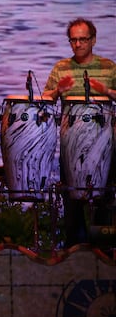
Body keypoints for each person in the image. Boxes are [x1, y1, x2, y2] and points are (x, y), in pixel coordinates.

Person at [42, 18, 116, 246]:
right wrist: (56, 91)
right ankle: (75, 250)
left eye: (82, 39)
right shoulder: (61, 68)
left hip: (103, 139)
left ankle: (103, 250)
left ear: (93, 40)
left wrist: (106, 91)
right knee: (72, 195)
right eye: (73, 40)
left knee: (104, 195)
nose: (77, 44)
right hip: (70, 141)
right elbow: (44, 100)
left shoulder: (108, 67)